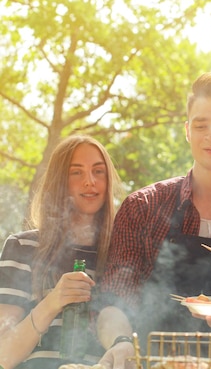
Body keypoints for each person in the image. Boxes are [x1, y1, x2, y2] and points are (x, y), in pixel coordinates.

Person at [96, 73, 211, 366]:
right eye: (201, 125)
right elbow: (113, 303)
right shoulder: (143, 208)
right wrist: (121, 344)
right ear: (187, 131)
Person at [0, 135, 123, 369]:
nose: (89, 181)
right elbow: (3, 354)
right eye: (76, 172)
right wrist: (52, 302)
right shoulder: (22, 248)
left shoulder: (121, 254)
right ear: (59, 181)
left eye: (98, 171)